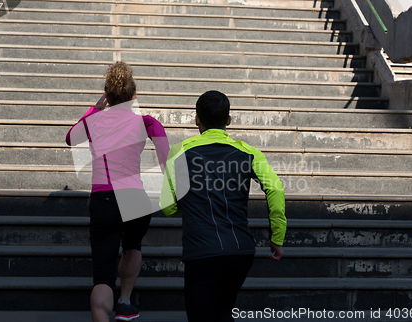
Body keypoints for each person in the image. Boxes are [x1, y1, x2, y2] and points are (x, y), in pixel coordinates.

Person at [159, 90, 286, 322]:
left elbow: (168, 207)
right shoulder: (250, 153)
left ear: (197, 118)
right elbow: (276, 189)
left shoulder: (179, 152)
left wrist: (190, 203)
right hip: (240, 251)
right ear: (228, 120)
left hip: (201, 252)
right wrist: (277, 237)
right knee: (224, 311)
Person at [66, 62, 169, 322]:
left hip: (103, 198)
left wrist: (95, 108)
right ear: (133, 96)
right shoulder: (147, 122)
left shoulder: (94, 122)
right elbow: (166, 162)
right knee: (132, 246)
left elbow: (71, 138)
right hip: (134, 196)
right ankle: (124, 302)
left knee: (102, 275)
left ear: (107, 96)